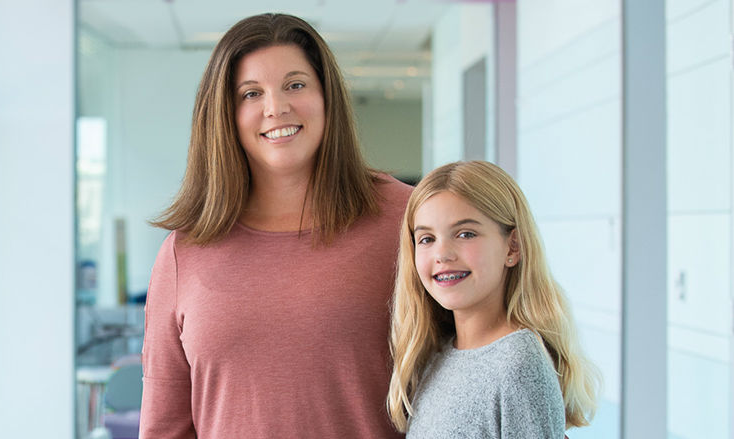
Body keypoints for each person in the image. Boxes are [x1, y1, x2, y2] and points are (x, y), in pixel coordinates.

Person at [138, 13, 412, 439]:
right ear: (224, 113)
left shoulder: (405, 218)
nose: (275, 107)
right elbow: (164, 427)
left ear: (327, 96)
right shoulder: (184, 251)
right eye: (251, 93)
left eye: (296, 85)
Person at [386, 161, 599, 438]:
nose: (443, 254)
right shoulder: (435, 355)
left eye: (465, 234)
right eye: (426, 239)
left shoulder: (518, 363)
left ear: (513, 247)